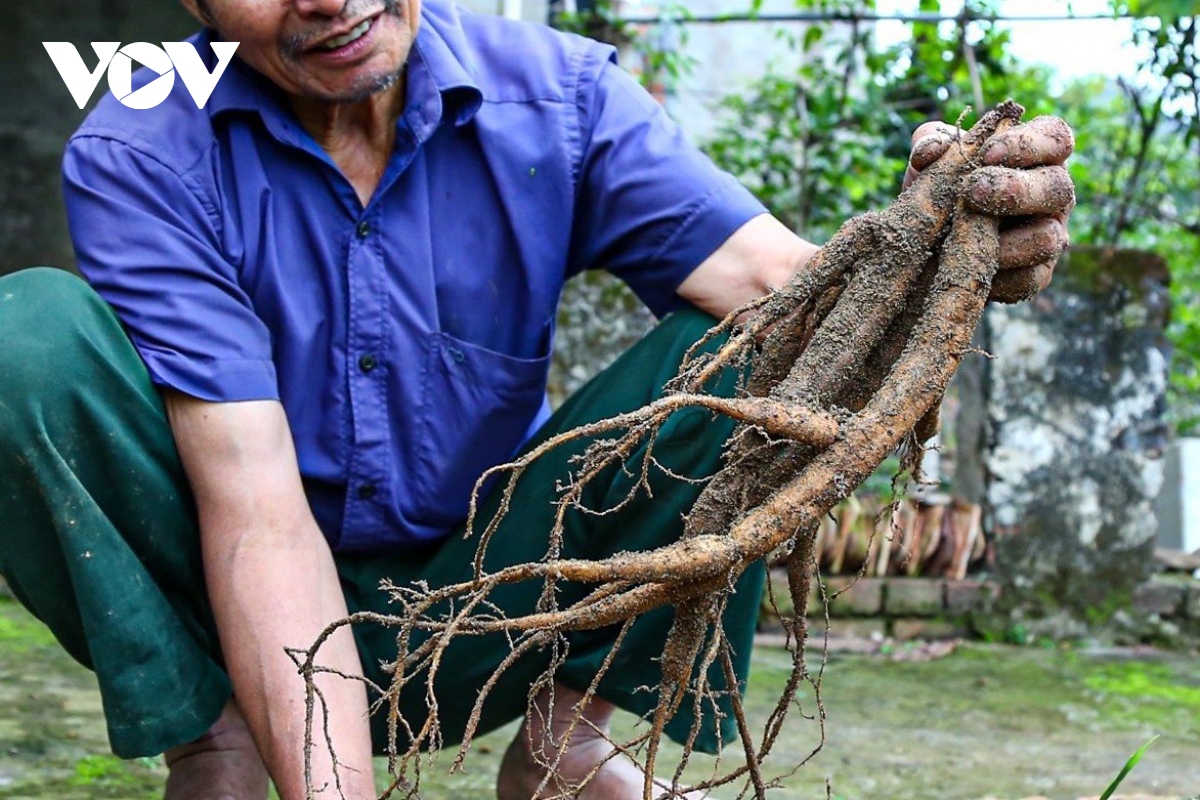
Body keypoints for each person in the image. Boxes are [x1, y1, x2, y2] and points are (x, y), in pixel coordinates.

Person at [0, 0, 1074, 798]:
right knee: (23, 337)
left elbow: (781, 291)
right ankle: (217, 739)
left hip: (492, 597)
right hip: (239, 597)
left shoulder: (557, 93)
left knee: (772, 343)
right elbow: (258, 519)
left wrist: (941, 252)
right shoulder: (145, 145)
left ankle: (571, 742)